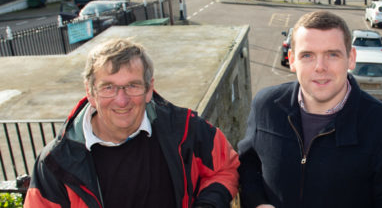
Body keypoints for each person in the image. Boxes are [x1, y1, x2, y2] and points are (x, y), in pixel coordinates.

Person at [25, 38, 240, 207]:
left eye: (133, 86)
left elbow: (226, 167)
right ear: (90, 93)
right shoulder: (56, 162)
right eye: (108, 87)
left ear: (149, 89)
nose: (122, 100)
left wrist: (208, 204)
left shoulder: (185, 128)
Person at [238, 11, 382, 207]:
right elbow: (248, 165)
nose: (320, 67)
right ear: (291, 59)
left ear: (351, 58)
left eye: (332, 54)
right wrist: (258, 203)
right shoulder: (266, 107)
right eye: (307, 55)